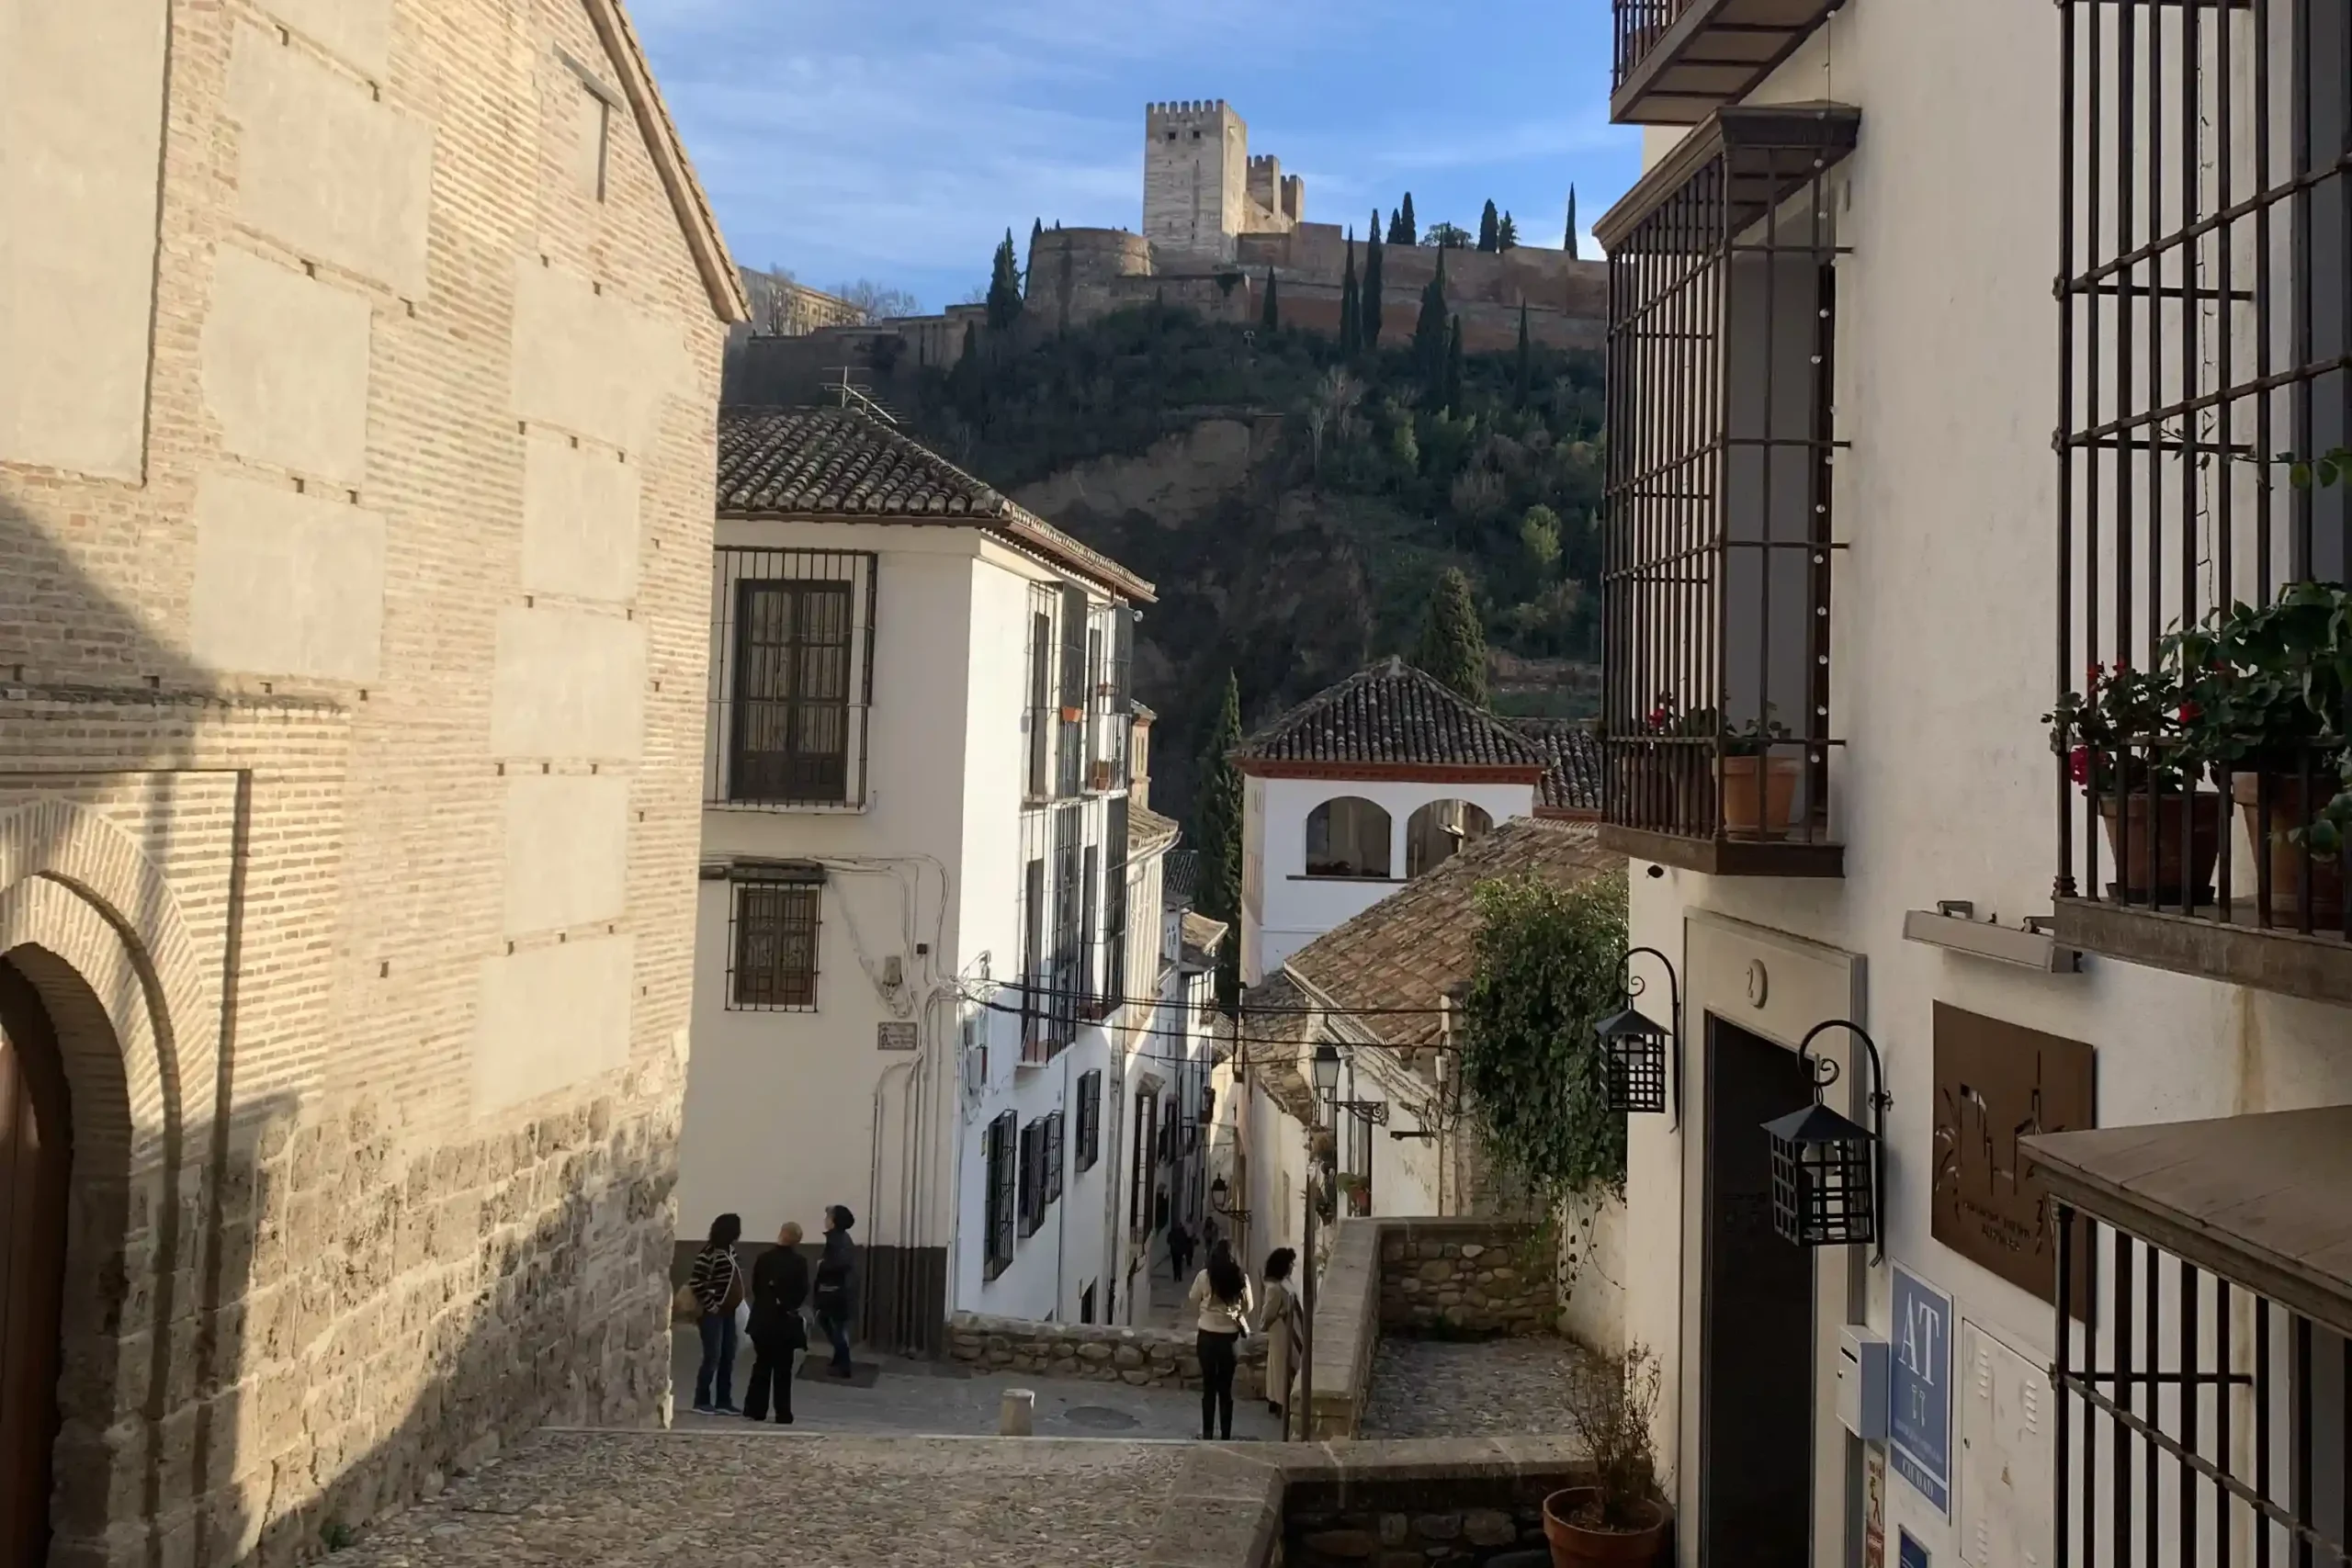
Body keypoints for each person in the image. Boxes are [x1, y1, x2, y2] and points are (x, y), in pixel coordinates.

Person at [742, 1221, 810, 1423]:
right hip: (785, 1322)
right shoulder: (800, 1262)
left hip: (763, 1319)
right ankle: (783, 1412)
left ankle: (756, 1409)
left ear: (781, 1234)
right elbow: (802, 1291)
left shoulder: (764, 1259)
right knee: (783, 1369)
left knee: (762, 1364)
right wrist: (788, 1304)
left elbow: (756, 1287)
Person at [1187, 1239, 1253, 1440]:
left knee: (1209, 1387)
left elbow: (1192, 1299)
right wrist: (1233, 1313)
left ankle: (1207, 1433)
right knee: (1226, 1389)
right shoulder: (1241, 1278)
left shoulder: (1204, 1276)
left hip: (1207, 1336)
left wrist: (1204, 1313)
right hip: (1230, 1339)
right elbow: (1249, 1306)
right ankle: (1226, 1435)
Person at [687, 1213, 745, 1414]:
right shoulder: (709, 1253)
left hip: (728, 1312)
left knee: (728, 1354)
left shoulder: (730, 1252)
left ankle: (723, 1400)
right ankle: (701, 1399)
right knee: (713, 1355)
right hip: (712, 1313)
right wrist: (711, 1305)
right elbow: (696, 1281)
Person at [812, 1204, 859, 1377]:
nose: (825, 1220)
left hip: (835, 1291)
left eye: (828, 1217)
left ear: (833, 1221)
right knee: (829, 1322)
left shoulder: (837, 1240)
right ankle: (839, 1357)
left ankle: (844, 1363)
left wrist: (822, 1265)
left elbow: (842, 1264)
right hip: (837, 1290)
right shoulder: (839, 1238)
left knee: (835, 1326)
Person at [1260, 1247, 1298, 1425]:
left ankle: (1277, 1401)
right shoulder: (1274, 1289)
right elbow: (1268, 1313)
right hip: (1279, 1330)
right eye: (1290, 1263)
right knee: (1280, 1367)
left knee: (1279, 1366)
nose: (1292, 1266)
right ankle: (1280, 1402)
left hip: (1283, 1330)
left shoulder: (1281, 1284)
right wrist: (1282, 1312)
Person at [1167, 1219, 1193, 1283]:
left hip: (1175, 1251)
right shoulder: (1182, 1233)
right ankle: (1179, 1276)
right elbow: (1185, 1241)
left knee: (1175, 1264)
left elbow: (1168, 1241)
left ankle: (1176, 1276)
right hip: (1179, 1251)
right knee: (1179, 1264)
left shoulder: (1172, 1232)